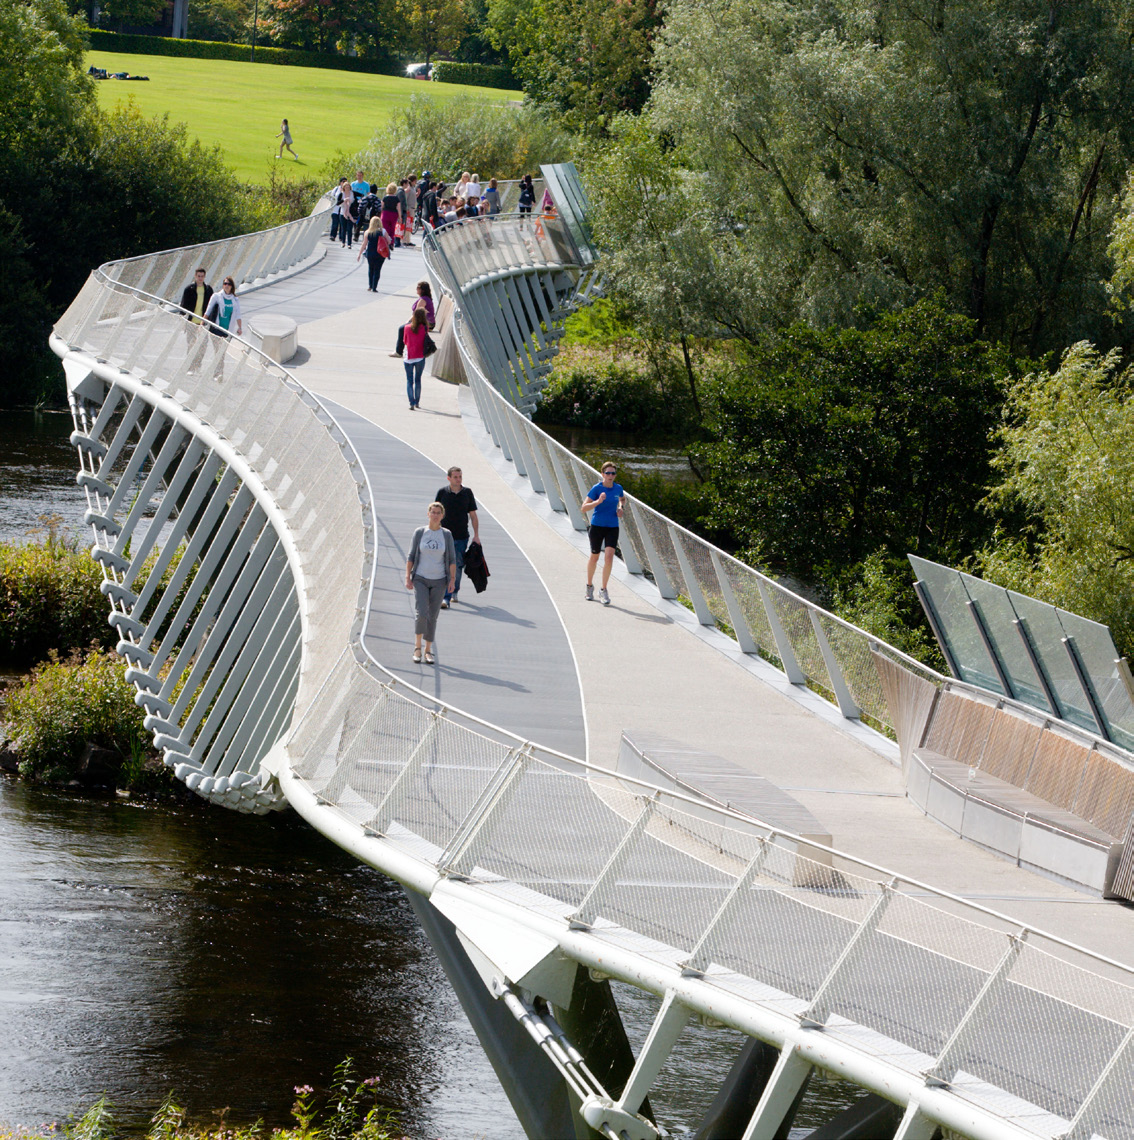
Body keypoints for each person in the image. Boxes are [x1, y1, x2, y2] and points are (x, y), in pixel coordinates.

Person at [405, 502, 456, 665]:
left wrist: (452, 580)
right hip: (420, 578)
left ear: (442, 516)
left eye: (438, 513)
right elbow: (411, 555)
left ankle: (428, 650)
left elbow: (452, 559)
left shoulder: (446, 535)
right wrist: (408, 576)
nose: (435, 515)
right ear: (428, 514)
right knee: (422, 613)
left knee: (432, 616)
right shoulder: (420, 533)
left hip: (439, 580)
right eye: (432, 512)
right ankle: (417, 647)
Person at [436, 466, 479, 608]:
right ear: (449, 478)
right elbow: (435, 513)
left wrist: (476, 536)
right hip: (443, 535)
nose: (458, 479)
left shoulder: (467, 493)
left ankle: (453, 591)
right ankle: (444, 594)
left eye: (460, 476)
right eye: (455, 477)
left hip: (461, 536)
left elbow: (473, 516)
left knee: (457, 564)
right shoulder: (442, 493)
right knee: (443, 564)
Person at [581, 461, 624, 605]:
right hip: (597, 526)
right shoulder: (597, 488)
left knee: (609, 558)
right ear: (602, 474)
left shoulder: (618, 488)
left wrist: (620, 508)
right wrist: (598, 501)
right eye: (608, 473)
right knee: (594, 557)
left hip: (612, 526)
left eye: (613, 473)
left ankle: (603, 589)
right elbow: (584, 508)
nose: (610, 476)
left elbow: (622, 499)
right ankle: (589, 586)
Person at [403, 307, 429, 409]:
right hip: (420, 357)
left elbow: (404, 341)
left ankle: (411, 403)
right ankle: (417, 402)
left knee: (409, 381)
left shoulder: (407, 328)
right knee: (418, 380)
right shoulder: (425, 328)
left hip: (408, 357)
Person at [357, 216, 389, 291]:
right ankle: (375, 287)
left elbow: (364, 244)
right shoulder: (383, 231)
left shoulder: (367, 232)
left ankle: (370, 285)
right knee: (377, 270)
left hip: (370, 253)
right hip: (380, 253)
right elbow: (389, 241)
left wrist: (359, 254)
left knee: (370, 269)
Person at [380, 182, 400, 246]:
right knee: (392, 228)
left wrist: (380, 215)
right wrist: (400, 217)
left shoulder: (385, 198)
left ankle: (385, 241)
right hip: (393, 214)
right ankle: (391, 242)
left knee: (385, 228)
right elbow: (398, 208)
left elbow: (381, 207)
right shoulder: (396, 198)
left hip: (385, 214)